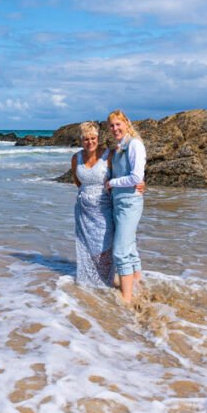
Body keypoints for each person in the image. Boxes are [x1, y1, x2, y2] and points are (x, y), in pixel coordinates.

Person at [104, 109, 145, 304]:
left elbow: (137, 177)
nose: (115, 128)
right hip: (118, 202)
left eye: (118, 124)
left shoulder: (135, 144)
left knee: (120, 251)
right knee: (129, 249)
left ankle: (126, 300)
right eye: (112, 125)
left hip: (130, 203)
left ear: (126, 123)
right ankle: (139, 286)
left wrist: (112, 183)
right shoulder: (118, 147)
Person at [70, 121, 114, 288]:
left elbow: (119, 177)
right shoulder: (76, 158)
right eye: (86, 139)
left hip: (104, 209)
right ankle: (90, 286)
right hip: (83, 210)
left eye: (93, 138)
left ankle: (107, 283)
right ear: (81, 140)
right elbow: (77, 181)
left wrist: (140, 182)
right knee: (87, 247)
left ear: (98, 138)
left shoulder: (108, 155)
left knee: (104, 246)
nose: (90, 142)